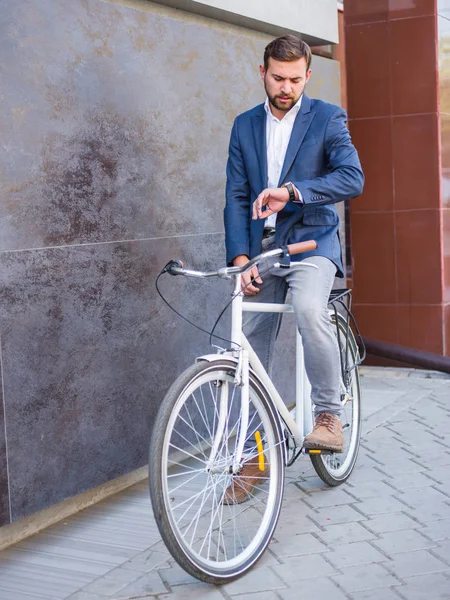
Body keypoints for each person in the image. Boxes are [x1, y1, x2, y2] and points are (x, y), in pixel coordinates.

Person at [223, 35, 364, 504]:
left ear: (308, 75)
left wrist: (293, 191)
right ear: (261, 71)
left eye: (295, 79)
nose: (286, 87)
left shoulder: (326, 118)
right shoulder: (244, 126)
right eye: (278, 78)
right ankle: (253, 455)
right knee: (244, 344)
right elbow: (237, 196)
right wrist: (241, 259)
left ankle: (328, 415)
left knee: (307, 309)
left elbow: (352, 177)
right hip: (264, 250)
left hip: (313, 244)